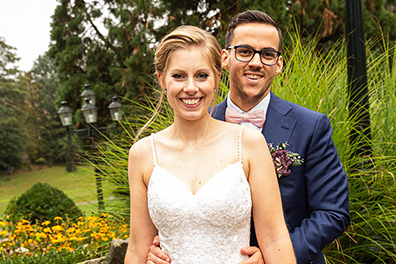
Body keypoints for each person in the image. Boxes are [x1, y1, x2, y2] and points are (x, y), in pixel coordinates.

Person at [146, 10, 350, 264]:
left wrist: (272, 257)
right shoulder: (193, 120)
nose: (255, 62)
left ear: (279, 64)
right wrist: (158, 244)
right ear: (224, 57)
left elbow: (333, 213)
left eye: (267, 54)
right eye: (244, 51)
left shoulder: (311, 126)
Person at [124, 25, 296, 263]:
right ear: (161, 79)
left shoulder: (248, 144)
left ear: (217, 76)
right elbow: (136, 249)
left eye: (202, 75)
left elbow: (276, 239)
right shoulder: (142, 154)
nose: (191, 87)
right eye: (179, 76)